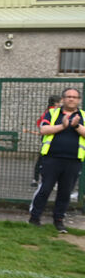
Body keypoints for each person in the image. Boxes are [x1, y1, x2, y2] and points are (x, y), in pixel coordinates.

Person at [28, 87, 85, 234]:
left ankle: (58, 220)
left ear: (79, 100)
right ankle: (35, 218)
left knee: (65, 192)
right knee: (45, 188)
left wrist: (76, 126)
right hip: (51, 159)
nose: (71, 99)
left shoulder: (83, 116)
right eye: (68, 96)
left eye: (74, 97)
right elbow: (43, 130)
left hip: (73, 161)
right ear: (63, 99)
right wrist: (63, 126)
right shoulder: (53, 113)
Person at [31, 95, 61, 186]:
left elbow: (39, 123)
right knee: (49, 160)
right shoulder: (52, 112)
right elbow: (41, 124)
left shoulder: (48, 112)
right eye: (60, 102)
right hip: (51, 139)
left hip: (47, 139)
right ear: (56, 103)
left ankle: (36, 179)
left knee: (43, 159)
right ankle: (46, 181)